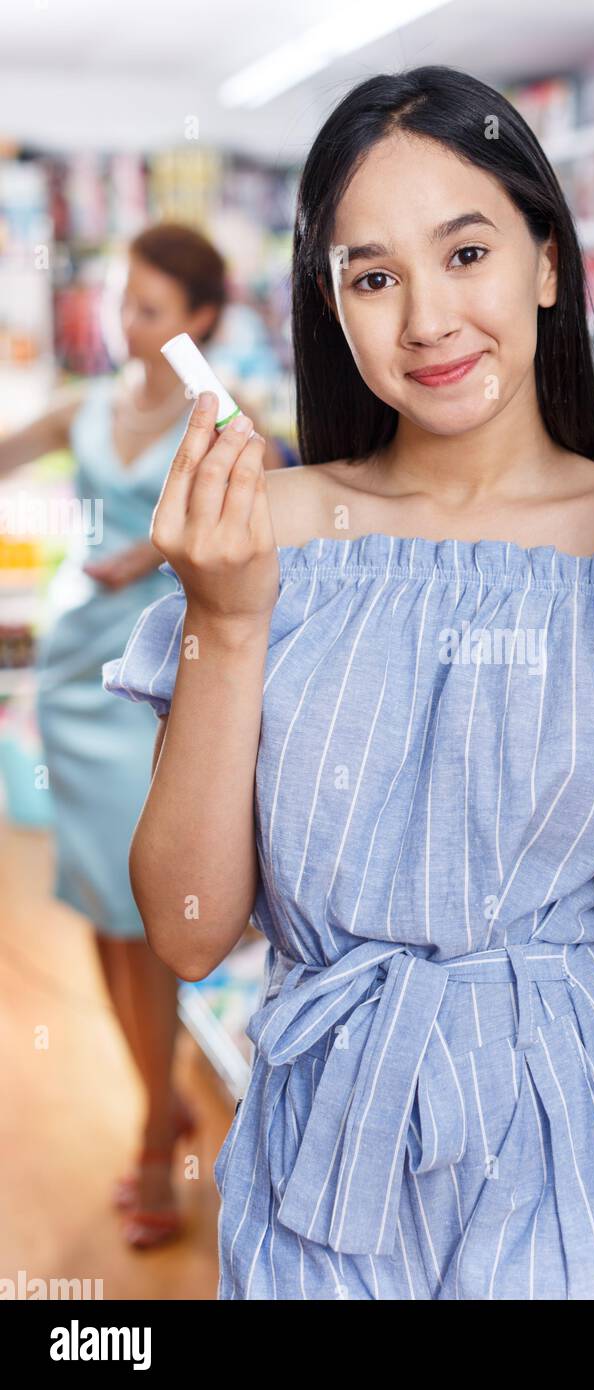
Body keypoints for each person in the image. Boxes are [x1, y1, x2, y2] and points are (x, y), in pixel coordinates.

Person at [102, 68, 594, 1298]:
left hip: (592, 1189)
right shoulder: (264, 534)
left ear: (545, 259)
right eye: (372, 276)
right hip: (326, 1185)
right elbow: (191, 925)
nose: (426, 319)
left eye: (465, 250)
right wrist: (224, 620)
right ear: (329, 305)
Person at [0, 222, 282, 1250]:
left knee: (147, 914)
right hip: (75, 671)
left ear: (201, 318)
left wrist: (152, 553)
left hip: (162, 681)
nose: (129, 325)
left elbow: (264, 519)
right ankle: (154, 1101)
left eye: (153, 310)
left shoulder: (217, 415)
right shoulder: (87, 403)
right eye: (125, 303)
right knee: (101, 915)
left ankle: (157, 1142)